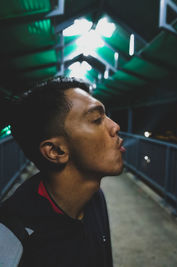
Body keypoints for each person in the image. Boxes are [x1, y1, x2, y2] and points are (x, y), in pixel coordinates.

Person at [0, 77, 125, 267]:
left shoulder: (95, 198)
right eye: (96, 119)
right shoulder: (12, 239)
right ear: (56, 151)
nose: (115, 126)